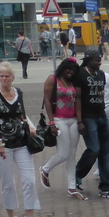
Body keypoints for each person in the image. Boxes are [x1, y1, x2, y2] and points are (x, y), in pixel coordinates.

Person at [0, 62, 47, 217]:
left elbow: (21, 113)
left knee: (29, 180)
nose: (4, 79)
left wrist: (30, 125)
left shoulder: (18, 92)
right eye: (2, 76)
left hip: (21, 142)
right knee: (8, 183)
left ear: (13, 77)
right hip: (3, 146)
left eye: (7, 76)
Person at [73, 52, 109, 199]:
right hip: (88, 118)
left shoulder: (101, 74)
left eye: (100, 60)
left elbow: (101, 94)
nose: (99, 63)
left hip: (101, 116)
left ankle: (106, 188)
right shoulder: (80, 75)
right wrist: (80, 121)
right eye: (97, 60)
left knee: (107, 151)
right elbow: (78, 99)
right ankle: (77, 173)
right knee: (94, 149)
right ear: (88, 61)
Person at [38, 58, 83, 199]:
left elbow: (78, 100)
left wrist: (80, 120)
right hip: (59, 119)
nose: (70, 72)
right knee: (63, 153)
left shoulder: (73, 81)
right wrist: (51, 122)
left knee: (72, 154)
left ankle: (71, 187)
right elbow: (47, 101)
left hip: (73, 120)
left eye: (74, 70)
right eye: (68, 69)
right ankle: (45, 169)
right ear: (63, 68)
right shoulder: (53, 79)